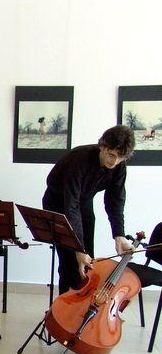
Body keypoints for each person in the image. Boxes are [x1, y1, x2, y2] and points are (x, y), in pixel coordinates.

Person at [42, 125, 134, 294]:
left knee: (87, 259)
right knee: (69, 259)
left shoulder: (119, 166)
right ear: (102, 146)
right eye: (111, 155)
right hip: (57, 202)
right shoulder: (79, 159)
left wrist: (119, 235)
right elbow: (71, 206)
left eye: (120, 157)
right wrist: (78, 249)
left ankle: (83, 302)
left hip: (83, 201)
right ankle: (65, 305)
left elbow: (115, 200)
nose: (114, 162)